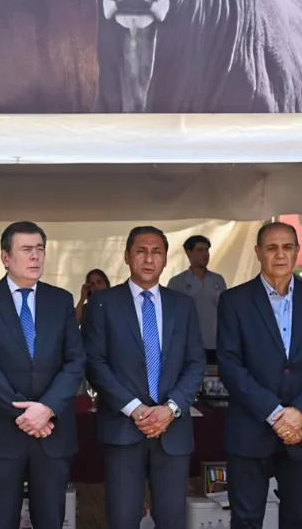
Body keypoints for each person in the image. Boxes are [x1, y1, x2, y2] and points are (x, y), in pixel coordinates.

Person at [216, 221, 302, 529]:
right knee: (246, 520)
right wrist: (275, 414)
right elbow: (229, 364)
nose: (280, 255)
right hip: (250, 428)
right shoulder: (234, 301)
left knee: (301, 521)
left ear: (297, 251)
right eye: (272, 248)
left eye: (287, 247)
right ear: (258, 252)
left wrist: (300, 413)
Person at [0, 221, 86, 529]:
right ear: (5, 257)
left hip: (52, 432)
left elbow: (75, 361)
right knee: (1, 520)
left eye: (40, 249)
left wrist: (47, 409)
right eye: (26, 249)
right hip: (1, 434)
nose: (35, 256)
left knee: (51, 520)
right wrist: (25, 413)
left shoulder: (61, 300)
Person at [83, 226, 205, 529]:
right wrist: (135, 408)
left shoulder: (183, 305)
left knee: (172, 519)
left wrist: (171, 408)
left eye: (156, 252)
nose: (149, 259)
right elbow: (94, 363)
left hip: (172, 429)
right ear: (127, 256)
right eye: (141, 251)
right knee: (123, 518)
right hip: (123, 427)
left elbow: (195, 363)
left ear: (165, 258)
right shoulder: (103, 303)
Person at [167, 234, 228, 364]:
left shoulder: (218, 280)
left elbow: (226, 312)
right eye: (200, 250)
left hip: (215, 343)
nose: (205, 254)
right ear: (188, 253)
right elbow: (170, 315)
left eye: (207, 250)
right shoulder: (177, 282)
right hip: (187, 344)